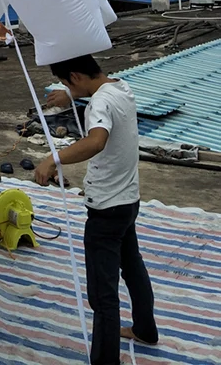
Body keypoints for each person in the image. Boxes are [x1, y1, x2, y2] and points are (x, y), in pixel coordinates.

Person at [34, 54, 158, 365]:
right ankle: (145, 328)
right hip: (128, 202)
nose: (66, 87)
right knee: (132, 265)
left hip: (105, 210)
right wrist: (70, 94)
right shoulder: (120, 88)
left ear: (75, 76)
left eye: (66, 82)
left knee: (102, 297)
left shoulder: (97, 105)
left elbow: (96, 141)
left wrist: (54, 159)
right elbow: (96, 96)